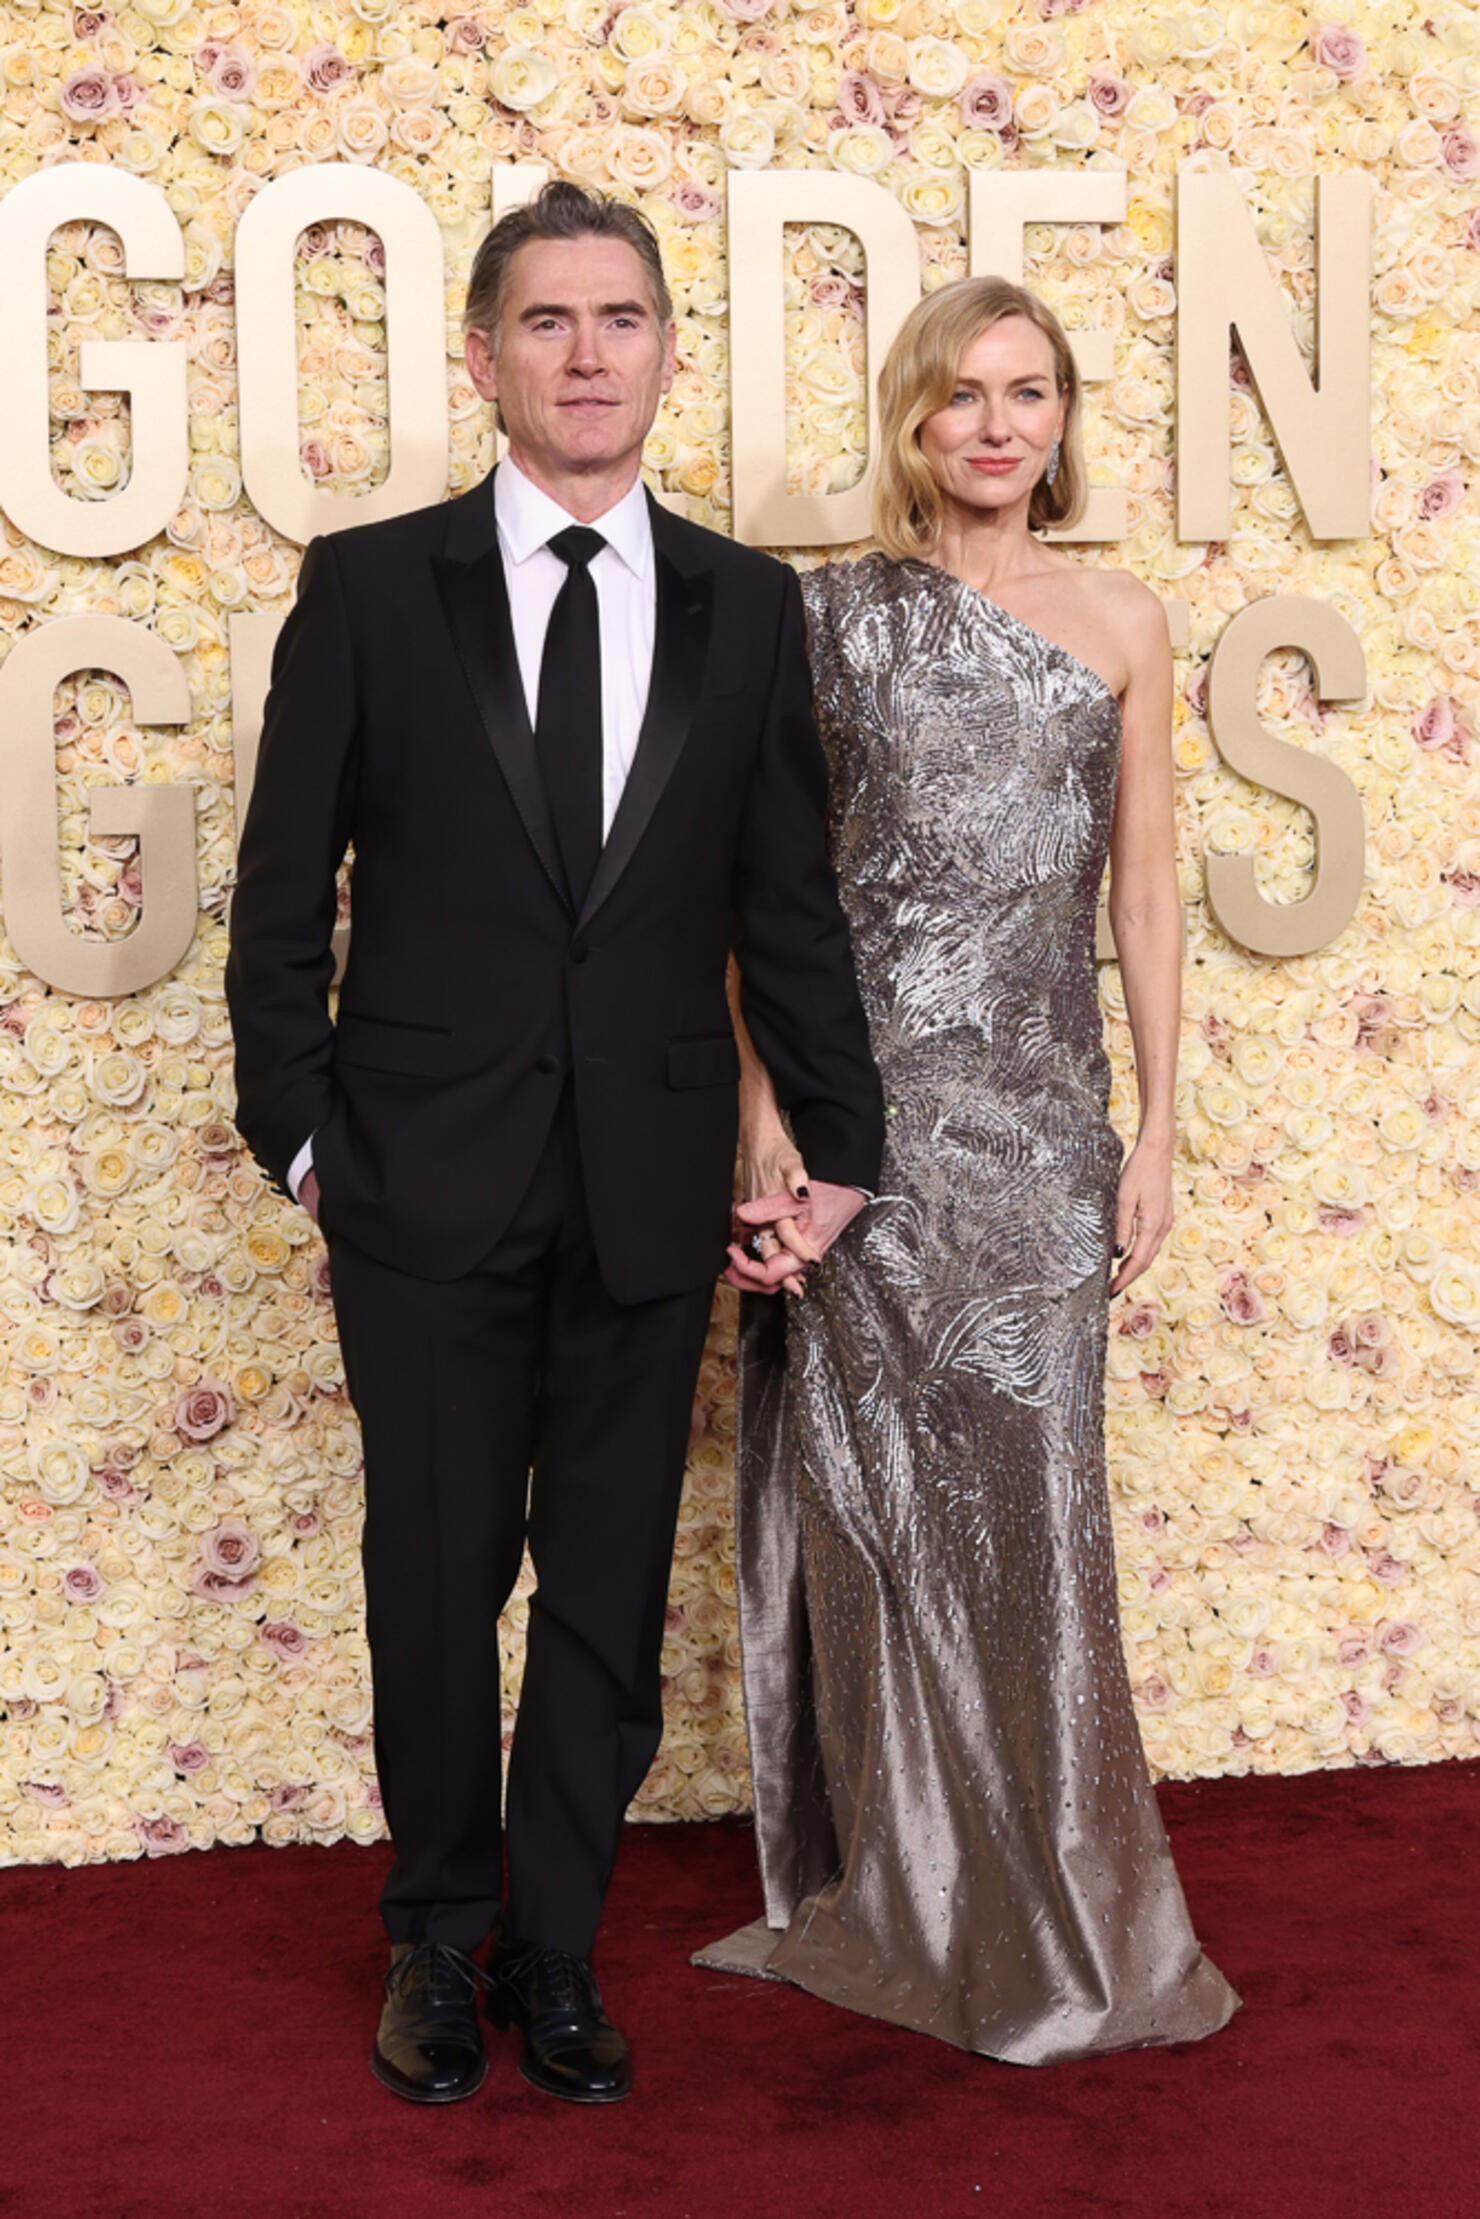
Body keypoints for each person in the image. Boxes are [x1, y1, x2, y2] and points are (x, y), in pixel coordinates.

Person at [226, 182, 883, 2108]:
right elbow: (280, 903)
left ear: (671, 350)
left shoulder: (750, 608)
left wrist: (833, 1149)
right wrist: (303, 1139)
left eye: (623, 320)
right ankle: (435, 1938)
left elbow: (791, 906)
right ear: (484, 353)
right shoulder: (368, 586)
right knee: (434, 1575)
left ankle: (558, 1951)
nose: (588, 354)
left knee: (602, 1584)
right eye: (548, 322)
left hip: (652, 1184)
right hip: (415, 1182)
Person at [708, 277, 1238, 2062]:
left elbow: (1144, 888)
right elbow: (769, 901)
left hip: (1035, 1135)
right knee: (876, 1523)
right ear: (912, 422)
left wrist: (1160, 1127)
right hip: (862, 1137)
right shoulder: (827, 621)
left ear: (1063, 419)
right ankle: (921, 1892)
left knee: (1034, 1521)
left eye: (1028, 394)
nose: (996, 426)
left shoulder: (1122, 619)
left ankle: (1071, 1908)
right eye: (961, 396)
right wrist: (767, 1117)